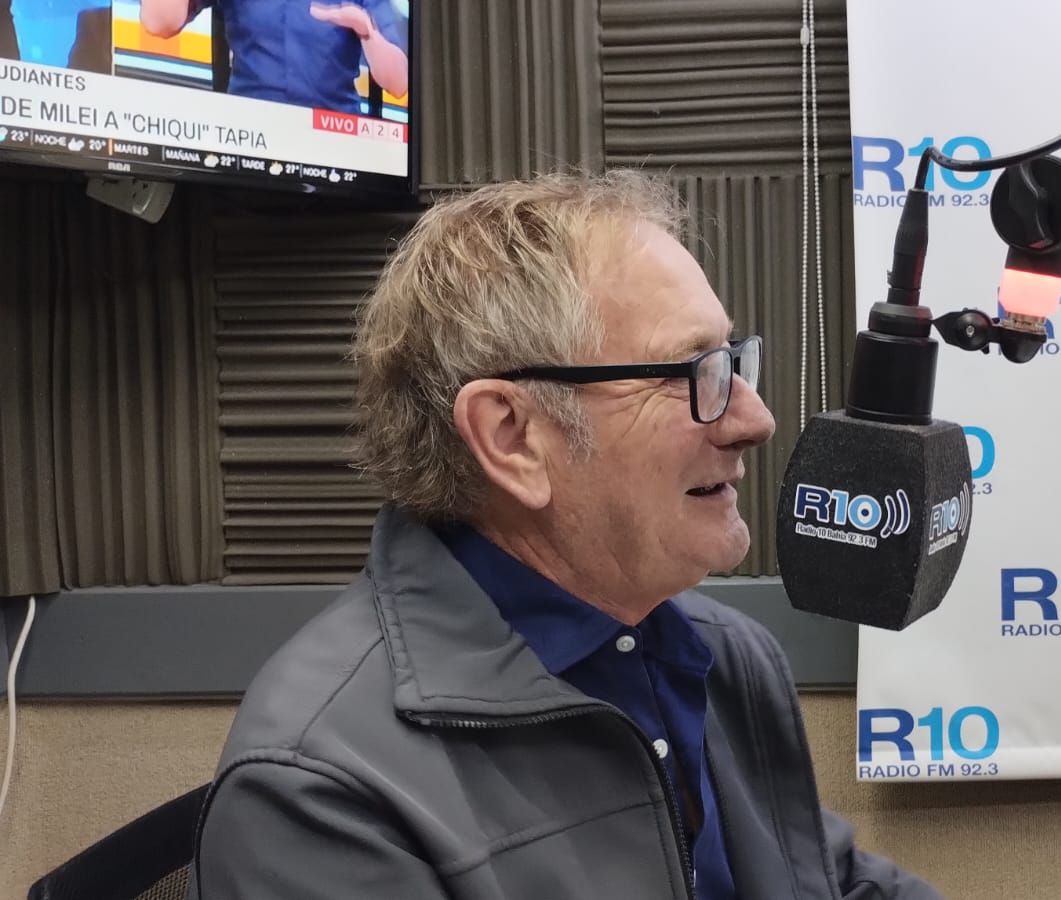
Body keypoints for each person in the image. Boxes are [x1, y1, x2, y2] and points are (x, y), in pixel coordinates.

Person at [186, 171, 944, 900]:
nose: (755, 419)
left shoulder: (723, 656)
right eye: (690, 373)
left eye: (732, 362)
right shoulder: (319, 794)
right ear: (512, 437)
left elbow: (821, 877)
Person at [139, 0, 407, 113]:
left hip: (338, 143)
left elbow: (398, 83)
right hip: (252, 138)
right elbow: (158, 22)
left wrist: (367, 30)